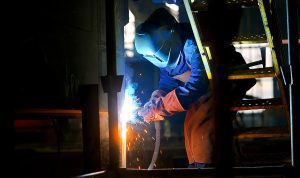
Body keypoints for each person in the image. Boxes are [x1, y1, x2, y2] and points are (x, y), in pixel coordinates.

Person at [134, 7, 256, 168]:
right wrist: (158, 96)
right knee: (190, 127)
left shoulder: (192, 43)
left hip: (226, 78)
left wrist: (162, 106)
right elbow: (169, 80)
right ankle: (197, 166)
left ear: (170, 34)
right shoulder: (167, 51)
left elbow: (199, 83)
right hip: (204, 89)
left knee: (203, 124)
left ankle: (209, 167)